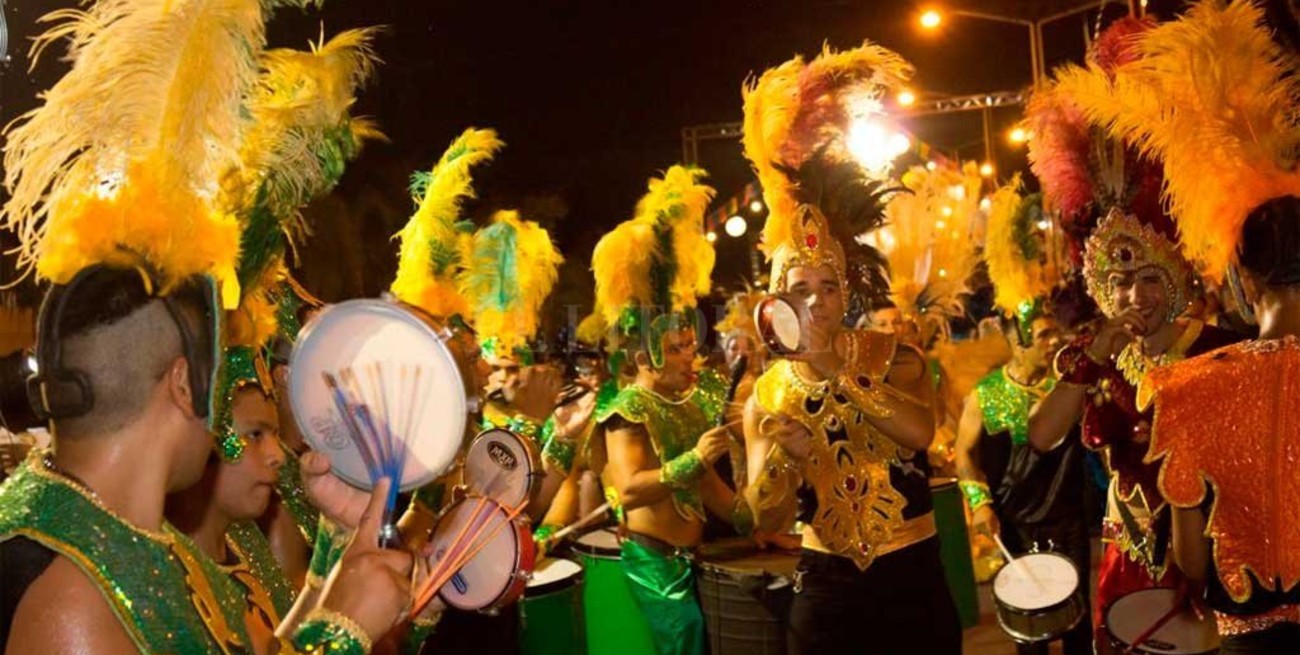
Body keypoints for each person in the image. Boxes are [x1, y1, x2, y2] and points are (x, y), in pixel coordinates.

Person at [1060, 3, 1300, 650]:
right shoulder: (1141, 369)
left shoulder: (1192, 388)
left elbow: (1192, 558)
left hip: (1244, 628)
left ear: (1241, 278)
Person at [1025, 17, 1242, 651]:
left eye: (1149, 278)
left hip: (1213, 548)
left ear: (1175, 278)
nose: (1134, 296)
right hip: (1125, 554)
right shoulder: (1096, 356)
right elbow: (1042, 435)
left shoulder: (1215, 347)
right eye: (1119, 283)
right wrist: (1093, 355)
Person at [737, 42, 960, 655]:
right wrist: (789, 460)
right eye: (800, 288)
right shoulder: (768, 392)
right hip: (826, 582)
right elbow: (765, 518)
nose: (815, 301)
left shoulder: (894, 356)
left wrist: (837, 370)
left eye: (828, 286)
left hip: (911, 570)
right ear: (778, 297)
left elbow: (921, 435)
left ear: (846, 291)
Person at [587, 165, 744, 655]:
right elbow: (631, 490)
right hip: (654, 564)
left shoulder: (687, 405)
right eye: (675, 349)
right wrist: (697, 458)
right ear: (642, 360)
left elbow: (710, 492)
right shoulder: (628, 407)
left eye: (688, 345)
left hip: (694, 559)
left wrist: (756, 521)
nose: (689, 357)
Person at [955, 309, 1091, 655]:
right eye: (1044, 334)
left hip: (1067, 520)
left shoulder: (1069, 386)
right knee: (1029, 624)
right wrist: (980, 503)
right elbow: (964, 454)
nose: (1055, 341)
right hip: (1014, 525)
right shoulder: (986, 393)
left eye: (1055, 332)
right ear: (1018, 344)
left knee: (1077, 620)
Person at [167, 351, 295, 650]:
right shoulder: (164, 570)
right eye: (255, 434)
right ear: (205, 436)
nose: (276, 455)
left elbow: (283, 643)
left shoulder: (241, 541)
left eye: (274, 435)